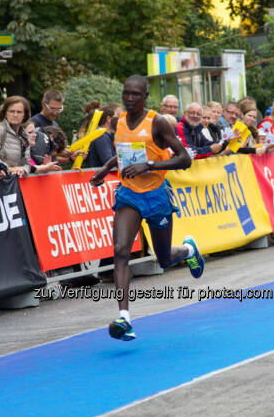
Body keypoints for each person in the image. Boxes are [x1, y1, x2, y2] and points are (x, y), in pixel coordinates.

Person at [90, 75, 204, 342]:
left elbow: (184, 159)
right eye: (125, 93)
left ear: (144, 97)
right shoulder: (118, 122)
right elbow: (123, 151)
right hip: (129, 194)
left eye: (135, 95)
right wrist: (105, 170)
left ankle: (188, 250)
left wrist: (149, 165)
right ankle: (124, 318)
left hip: (156, 195)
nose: (129, 99)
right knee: (120, 250)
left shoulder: (158, 122)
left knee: (163, 259)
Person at [0, 95, 31, 176]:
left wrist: (23, 170)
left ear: (24, 115)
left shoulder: (25, 135)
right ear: (5, 114)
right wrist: (7, 168)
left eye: (19, 112)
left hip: (16, 181)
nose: (15, 115)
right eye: (12, 111)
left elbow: (27, 164)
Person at [83, 103, 121, 168]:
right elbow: (109, 162)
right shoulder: (101, 136)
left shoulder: (103, 135)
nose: (122, 119)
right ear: (109, 119)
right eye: (119, 116)